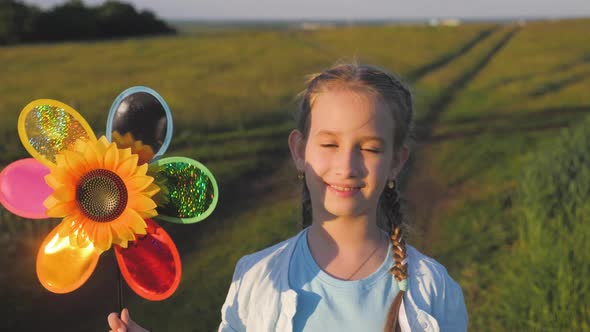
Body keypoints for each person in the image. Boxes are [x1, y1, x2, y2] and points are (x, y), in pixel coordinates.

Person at [107, 62, 468, 332]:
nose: (347, 165)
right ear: (300, 150)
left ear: (396, 162)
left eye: (370, 149)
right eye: (329, 144)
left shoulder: (431, 289)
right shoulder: (255, 278)